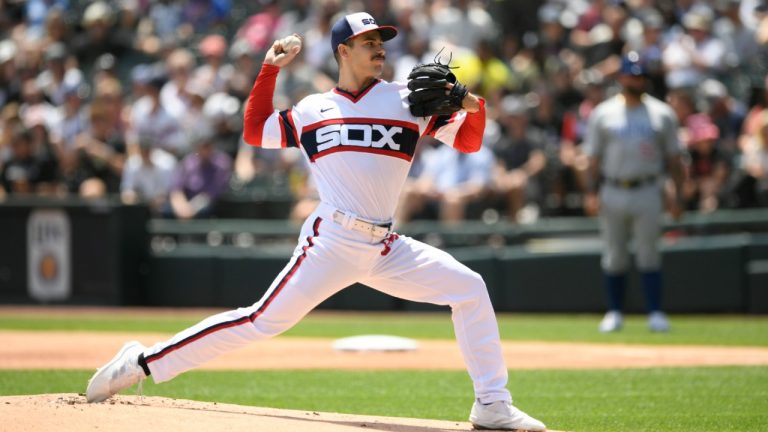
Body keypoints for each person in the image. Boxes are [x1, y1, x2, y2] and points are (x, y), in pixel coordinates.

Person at [85, 12, 546, 431]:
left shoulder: (408, 102)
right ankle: (142, 362)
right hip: (332, 242)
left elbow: (468, 141)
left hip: (386, 246)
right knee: (259, 321)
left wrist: (469, 100)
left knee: (470, 288)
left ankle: (491, 404)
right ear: (343, 51)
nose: (379, 47)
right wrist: (269, 69)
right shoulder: (311, 109)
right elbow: (254, 130)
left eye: (381, 40)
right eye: (368, 41)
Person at [583, 52, 686, 333]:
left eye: (639, 75)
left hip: (648, 187)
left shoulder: (662, 112)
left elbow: (675, 159)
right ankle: (615, 311)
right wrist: (590, 192)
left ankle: (655, 312)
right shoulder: (604, 112)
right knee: (614, 254)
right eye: (631, 74)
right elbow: (592, 160)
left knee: (649, 253)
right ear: (621, 77)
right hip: (613, 187)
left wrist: (677, 194)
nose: (635, 79)